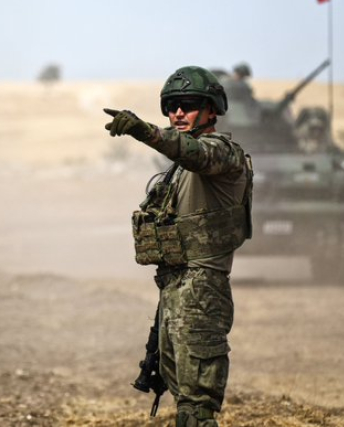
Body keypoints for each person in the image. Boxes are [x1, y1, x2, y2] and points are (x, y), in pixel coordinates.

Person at [104, 65, 253, 426]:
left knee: (197, 407)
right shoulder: (180, 167)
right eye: (172, 107)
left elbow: (194, 152)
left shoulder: (223, 155)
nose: (178, 113)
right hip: (174, 286)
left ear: (211, 110)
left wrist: (144, 131)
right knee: (184, 401)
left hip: (201, 288)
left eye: (189, 105)